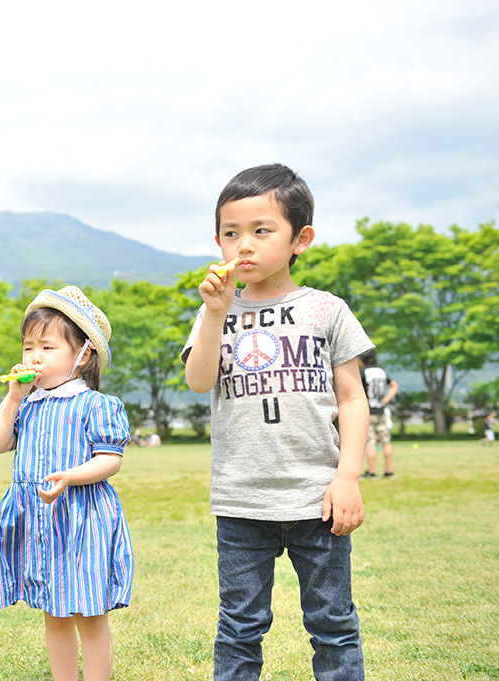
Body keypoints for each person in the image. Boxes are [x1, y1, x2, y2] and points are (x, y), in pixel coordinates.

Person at [181, 163, 373, 680]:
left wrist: (348, 476)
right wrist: (217, 313)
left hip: (319, 499)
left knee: (333, 624)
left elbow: (352, 398)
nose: (243, 245)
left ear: (300, 238)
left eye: (261, 231)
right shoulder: (213, 311)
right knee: (240, 626)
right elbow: (199, 381)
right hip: (242, 500)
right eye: (230, 233)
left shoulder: (327, 310)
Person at [0, 286, 132, 681]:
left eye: (47, 347)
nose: (34, 356)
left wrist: (70, 476)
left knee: (89, 613)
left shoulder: (95, 405)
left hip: (80, 519)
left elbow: (109, 461)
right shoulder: (27, 404)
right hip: (39, 521)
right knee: (54, 612)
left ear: (84, 356)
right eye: (28, 346)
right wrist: (13, 398)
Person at [359, 350, 399, 478]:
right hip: (381, 410)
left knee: (370, 442)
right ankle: (389, 471)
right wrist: (385, 400)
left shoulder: (362, 371)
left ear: (362, 360)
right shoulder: (381, 371)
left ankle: (371, 471)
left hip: (368, 411)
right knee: (386, 441)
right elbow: (394, 386)